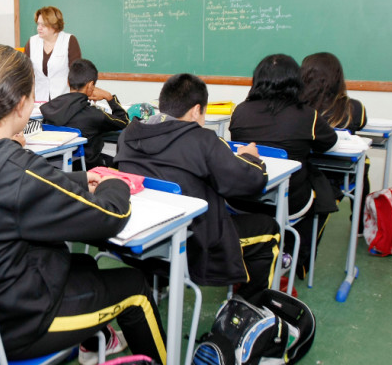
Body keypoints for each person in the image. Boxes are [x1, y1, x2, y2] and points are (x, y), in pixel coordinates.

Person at [0, 44, 167, 365]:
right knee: (136, 288)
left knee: (84, 266)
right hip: (15, 325)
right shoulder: (13, 167)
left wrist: (84, 180)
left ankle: (95, 343)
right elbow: (110, 216)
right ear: (20, 104)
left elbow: (31, 185)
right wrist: (114, 181)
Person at [115, 74, 279, 299]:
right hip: (196, 243)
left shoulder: (128, 135)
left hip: (143, 237)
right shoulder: (202, 140)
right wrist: (252, 159)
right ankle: (249, 309)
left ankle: (158, 283)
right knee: (269, 228)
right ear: (196, 110)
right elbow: (250, 181)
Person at [229, 54, 338, 278]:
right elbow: (330, 142)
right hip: (289, 202)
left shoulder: (240, 111)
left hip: (242, 199)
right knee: (324, 189)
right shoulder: (307, 116)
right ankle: (295, 257)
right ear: (296, 81)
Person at [300, 51, 370, 232]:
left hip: (302, 172)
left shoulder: (295, 107)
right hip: (336, 175)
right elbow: (361, 124)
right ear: (338, 77)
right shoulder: (353, 107)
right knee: (365, 162)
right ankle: (359, 223)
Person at [40, 58, 129, 168]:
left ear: (68, 82)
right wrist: (109, 98)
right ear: (91, 85)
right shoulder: (94, 114)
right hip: (88, 167)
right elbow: (124, 122)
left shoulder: (50, 108)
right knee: (121, 165)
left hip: (57, 168)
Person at [24, 6, 82, 101]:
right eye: (38, 24)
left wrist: (74, 100)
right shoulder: (32, 42)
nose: (39, 28)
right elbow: (26, 72)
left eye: (44, 25)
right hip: (39, 98)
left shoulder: (69, 40)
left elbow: (76, 75)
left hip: (64, 97)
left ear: (54, 26)